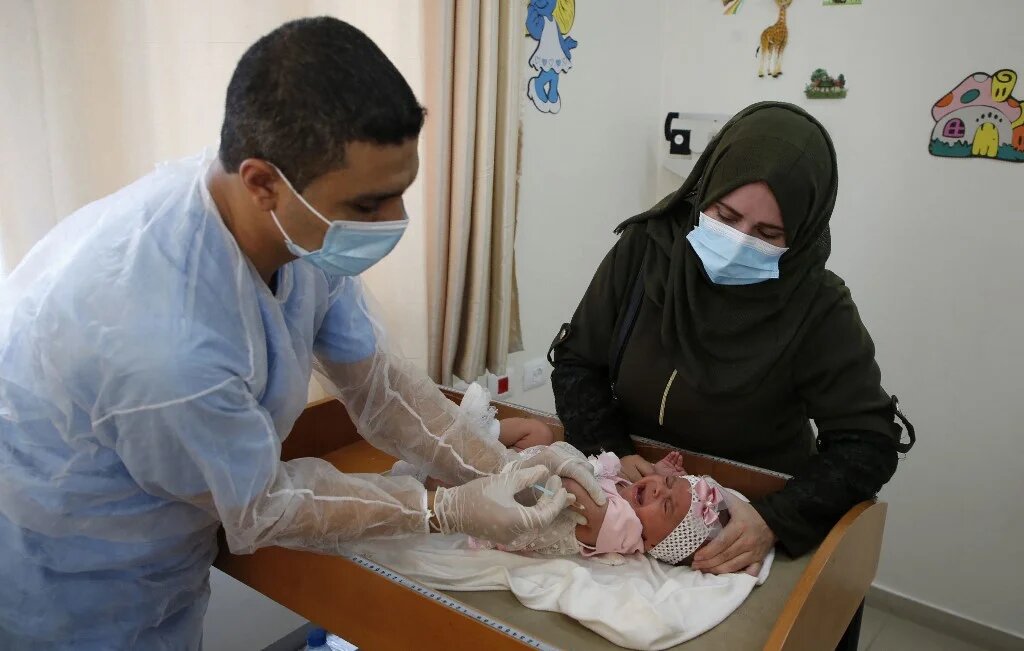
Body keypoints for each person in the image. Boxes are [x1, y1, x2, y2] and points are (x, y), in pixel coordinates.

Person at [0, 18, 604, 649]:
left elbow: (382, 391)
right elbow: (265, 508)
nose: (393, 222)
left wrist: (509, 469)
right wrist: (441, 509)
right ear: (263, 182)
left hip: (161, 555)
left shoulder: (293, 228)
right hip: (73, 578)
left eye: (401, 193)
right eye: (368, 206)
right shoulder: (164, 344)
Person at [549, 102, 915, 579]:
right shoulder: (645, 251)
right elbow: (578, 364)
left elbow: (867, 444)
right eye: (725, 215)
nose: (740, 242)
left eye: (768, 233)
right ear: (704, 191)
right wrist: (613, 451)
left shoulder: (819, 307)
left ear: (801, 237)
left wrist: (778, 519)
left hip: (747, 522)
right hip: (633, 491)